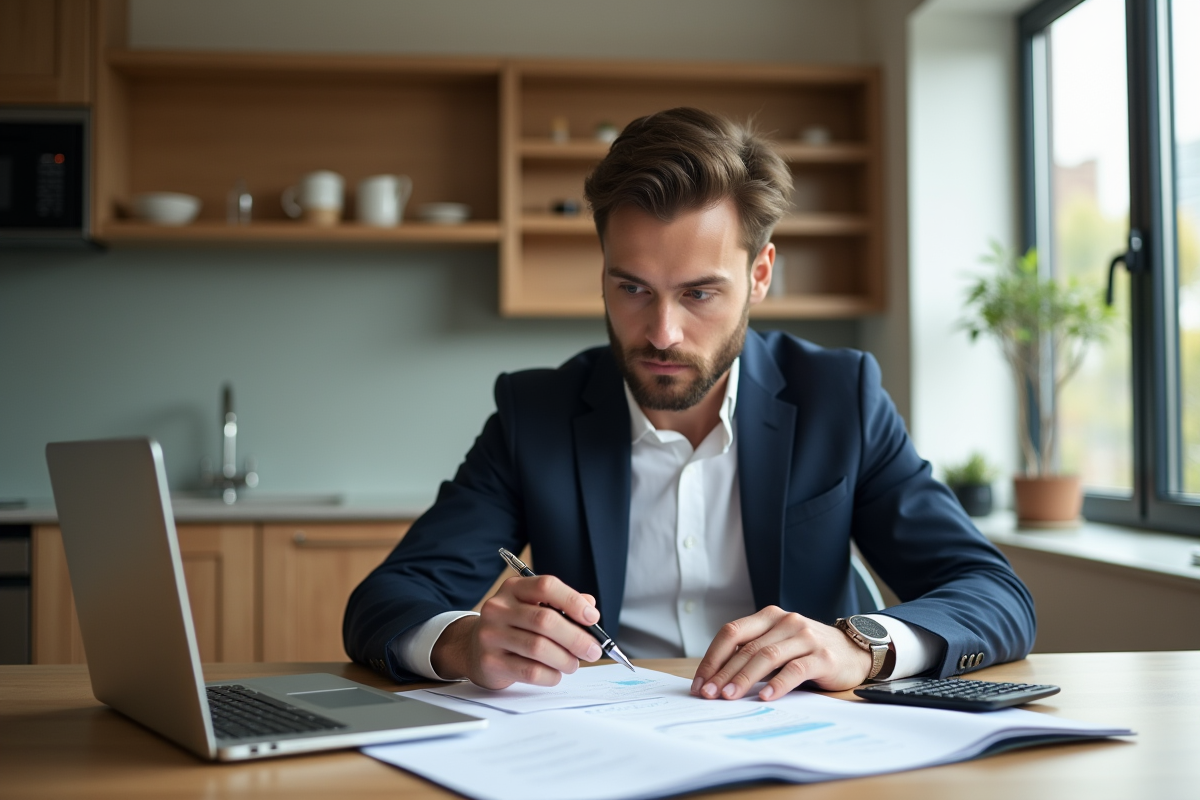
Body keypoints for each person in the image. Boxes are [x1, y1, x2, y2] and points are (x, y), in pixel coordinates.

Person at [344, 107, 1035, 702]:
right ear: (603, 272)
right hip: (599, 748)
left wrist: (860, 646)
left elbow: (994, 594)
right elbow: (386, 600)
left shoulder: (838, 397)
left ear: (759, 275)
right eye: (632, 289)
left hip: (802, 747)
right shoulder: (537, 413)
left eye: (699, 293)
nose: (662, 333)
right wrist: (463, 641)